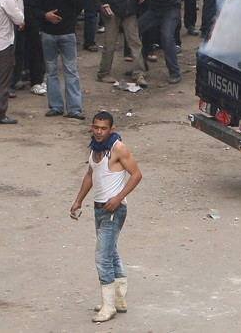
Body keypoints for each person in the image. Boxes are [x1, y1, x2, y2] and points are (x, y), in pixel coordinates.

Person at [70, 111, 144, 323]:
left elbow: (137, 174)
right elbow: (90, 175)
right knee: (111, 252)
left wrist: (119, 197)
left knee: (102, 257)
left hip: (114, 210)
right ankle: (118, 300)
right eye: (96, 127)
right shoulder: (95, 149)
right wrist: (78, 201)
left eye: (103, 128)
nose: (99, 132)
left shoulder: (117, 148)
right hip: (99, 208)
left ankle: (109, 306)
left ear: (111, 129)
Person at [134, 0, 182, 84]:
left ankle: (174, 72)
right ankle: (141, 67)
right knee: (133, 31)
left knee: (167, 37)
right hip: (155, 10)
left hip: (170, 10)